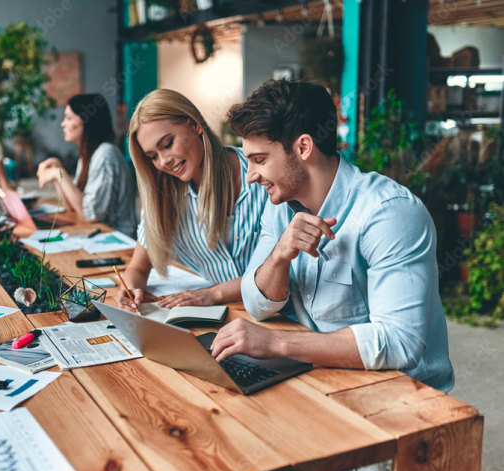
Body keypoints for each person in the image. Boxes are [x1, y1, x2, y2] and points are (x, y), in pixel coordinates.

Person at [211, 79, 454, 392]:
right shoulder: (280, 204)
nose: (251, 177)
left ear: (303, 148)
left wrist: (278, 342)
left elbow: (400, 342)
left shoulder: (389, 213)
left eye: (260, 160)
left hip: (404, 395)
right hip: (321, 377)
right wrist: (280, 254)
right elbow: (258, 305)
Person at [114, 89, 269, 311]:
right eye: (153, 157)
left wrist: (214, 294)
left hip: (282, 316)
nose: (164, 161)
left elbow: (288, 268)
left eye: (167, 144)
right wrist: (129, 291)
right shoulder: (162, 195)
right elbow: (137, 269)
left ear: (194, 125)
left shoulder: (261, 175)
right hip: (229, 316)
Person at [36, 93, 136, 237]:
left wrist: (60, 175)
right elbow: (71, 206)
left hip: (118, 242)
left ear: (87, 121)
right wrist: (58, 174)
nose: (63, 124)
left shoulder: (105, 155)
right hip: (99, 237)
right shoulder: (86, 156)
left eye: (69, 118)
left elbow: (89, 213)